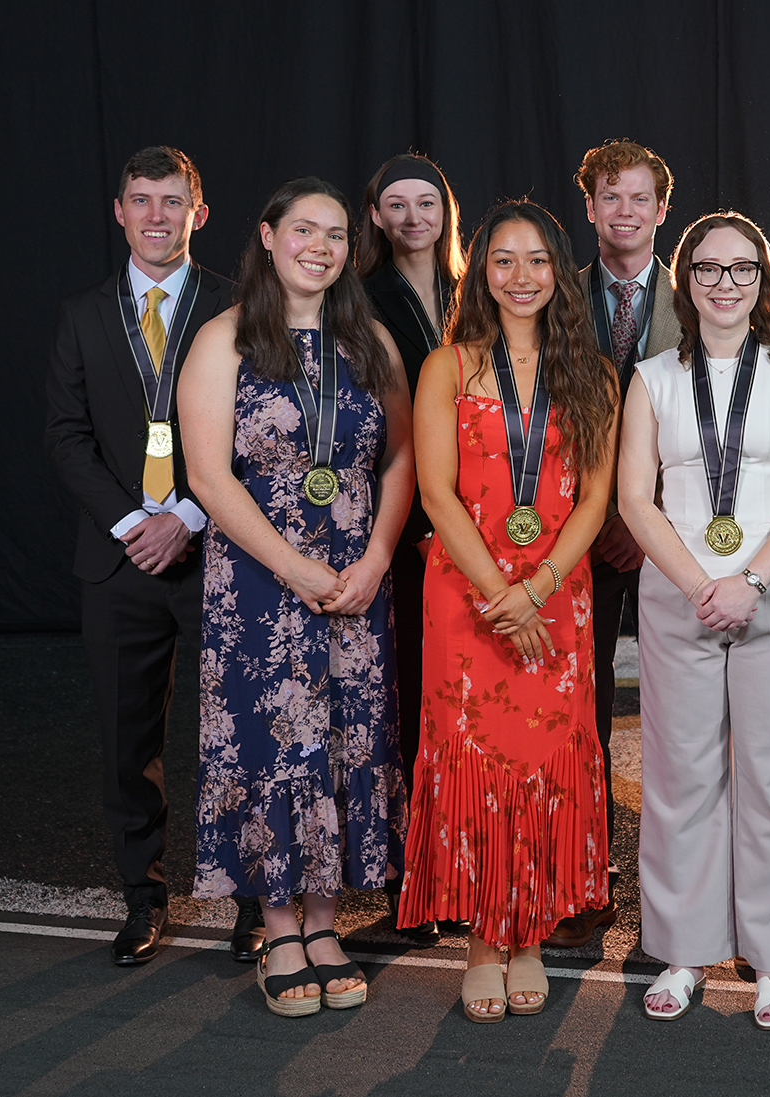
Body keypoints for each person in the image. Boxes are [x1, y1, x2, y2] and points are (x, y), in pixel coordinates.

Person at [179, 177, 414, 1017]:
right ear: (270, 237)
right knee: (272, 747)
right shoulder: (225, 338)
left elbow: (399, 459)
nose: (321, 245)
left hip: (355, 583)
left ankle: (325, 921)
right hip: (258, 588)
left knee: (346, 741)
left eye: (338, 234)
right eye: (304, 229)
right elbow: (208, 476)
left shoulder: (370, 340)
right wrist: (297, 567)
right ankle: (279, 923)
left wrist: (378, 556)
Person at [397, 200, 618, 1021]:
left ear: (559, 271)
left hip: (558, 598)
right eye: (502, 261)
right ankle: (483, 944)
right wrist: (502, 593)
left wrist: (540, 588)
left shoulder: (592, 372)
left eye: (536, 260)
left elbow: (595, 499)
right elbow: (435, 494)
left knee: (544, 767)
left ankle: (529, 935)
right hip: (469, 594)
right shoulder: (447, 367)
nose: (520, 277)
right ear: (479, 273)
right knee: (476, 764)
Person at [44, 146, 265, 967]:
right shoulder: (83, 313)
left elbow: (257, 434)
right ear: (120, 210)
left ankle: (255, 904)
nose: (158, 217)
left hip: (218, 553)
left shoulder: (238, 306)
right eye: (143, 201)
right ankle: (145, 898)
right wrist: (135, 523)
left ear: (198, 214)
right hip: (119, 562)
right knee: (126, 738)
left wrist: (189, 515)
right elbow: (65, 438)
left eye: (174, 202)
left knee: (240, 734)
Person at [620, 212, 770, 1030]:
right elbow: (634, 496)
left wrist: (747, 578)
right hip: (680, 597)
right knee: (680, 777)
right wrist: (697, 582)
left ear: (764, 281)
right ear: (686, 283)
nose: (724, 285)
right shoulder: (651, 376)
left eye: (741, 270)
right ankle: (683, 949)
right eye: (706, 271)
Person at [547, 140, 683, 950]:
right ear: (590, 207)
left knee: (679, 718)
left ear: (662, 210)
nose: (624, 212)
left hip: (671, 535)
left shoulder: (701, 288)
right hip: (574, 535)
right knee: (579, 716)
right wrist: (594, 518)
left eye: (639, 199)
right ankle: (584, 882)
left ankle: (676, 899)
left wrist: (645, 514)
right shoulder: (553, 292)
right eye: (610, 198)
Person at [358, 152, 467, 947]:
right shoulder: (360, 300)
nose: (411, 217)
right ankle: (411, 877)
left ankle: (466, 867)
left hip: (485, 522)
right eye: (394, 205)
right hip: (403, 530)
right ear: (375, 217)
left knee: (467, 708)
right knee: (408, 703)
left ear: (445, 211)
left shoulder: (487, 287)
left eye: (424, 202)